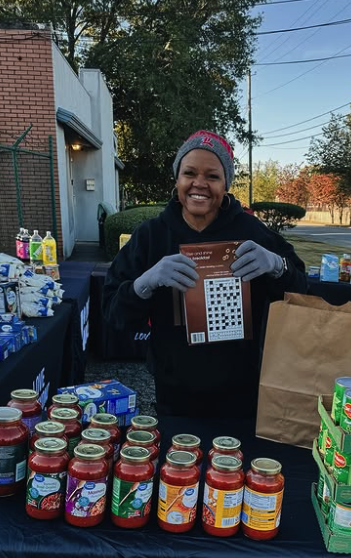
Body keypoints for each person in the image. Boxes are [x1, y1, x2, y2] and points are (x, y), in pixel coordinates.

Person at [102, 130, 308, 417]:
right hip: (174, 391)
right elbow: (113, 314)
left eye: (212, 176)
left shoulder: (250, 232)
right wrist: (144, 284)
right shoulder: (151, 235)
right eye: (189, 173)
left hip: (241, 391)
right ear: (177, 179)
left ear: (226, 184)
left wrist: (277, 265)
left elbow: (301, 291)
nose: (199, 183)